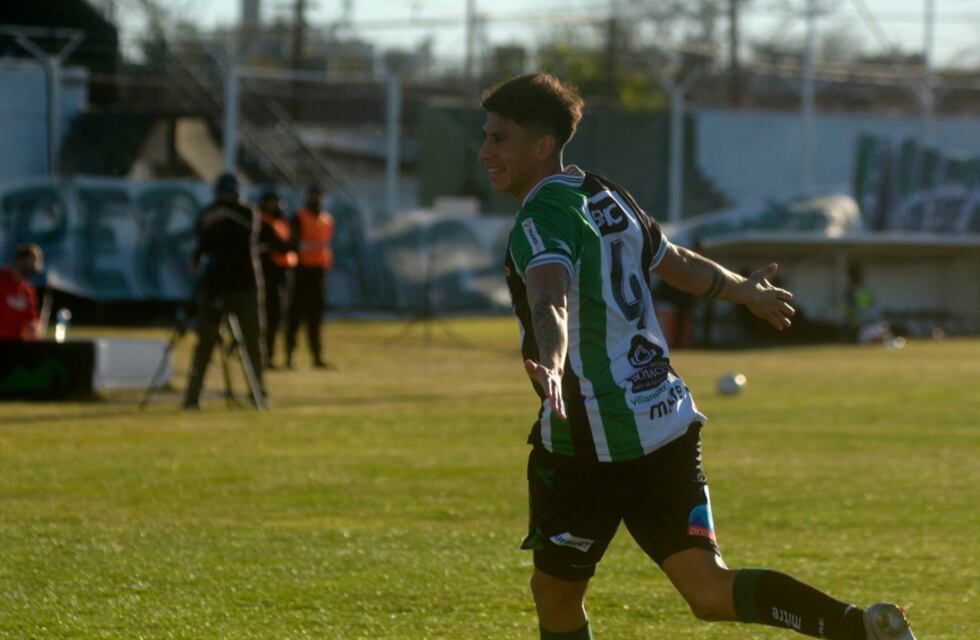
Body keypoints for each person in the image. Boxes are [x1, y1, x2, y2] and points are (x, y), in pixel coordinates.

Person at [480, 73, 916, 640]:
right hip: (666, 420)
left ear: (541, 145)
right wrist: (745, 291)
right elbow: (674, 260)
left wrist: (555, 360)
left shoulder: (542, 217)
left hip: (589, 441)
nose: (485, 152)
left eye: (499, 139)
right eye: (485, 137)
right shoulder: (603, 191)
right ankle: (857, 628)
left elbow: (550, 296)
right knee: (709, 590)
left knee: (555, 596)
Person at [182, 173, 266, 409]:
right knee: (205, 341)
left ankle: (258, 392)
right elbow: (202, 239)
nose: (225, 202)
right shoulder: (208, 213)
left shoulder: (246, 213)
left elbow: (247, 232)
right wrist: (196, 259)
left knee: (251, 341)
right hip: (215, 286)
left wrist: (224, 215)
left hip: (244, 286)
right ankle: (192, 396)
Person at [286, 184, 335, 370]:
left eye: (319, 195)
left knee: (316, 318)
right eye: (314, 195)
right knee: (295, 317)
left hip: (319, 272)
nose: (316, 199)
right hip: (301, 272)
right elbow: (295, 242)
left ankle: (317, 356)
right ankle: (290, 356)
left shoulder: (327, 219)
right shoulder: (299, 217)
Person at [257, 190, 297, 369]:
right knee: (269, 317)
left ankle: (275, 356)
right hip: (269, 275)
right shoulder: (262, 222)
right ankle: (266, 356)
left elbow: (289, 243)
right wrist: (291, 246)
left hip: (284, 273)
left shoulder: (282, 221)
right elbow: (280, 246)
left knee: (279, 317)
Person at [0, 243, 44, 341]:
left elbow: (31, 319)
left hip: (14, 346)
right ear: (20, 260)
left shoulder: (28, 290)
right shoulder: (2, 279)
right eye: (32, 261)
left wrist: (34, 327)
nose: (34, 266)